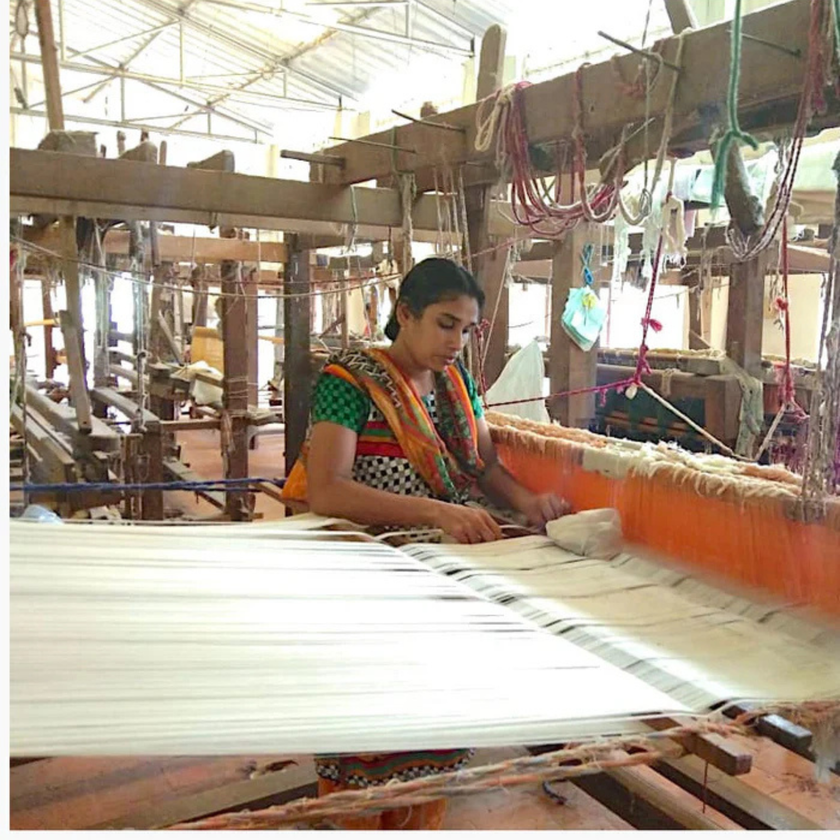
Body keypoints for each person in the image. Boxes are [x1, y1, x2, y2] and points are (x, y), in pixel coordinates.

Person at [282, 257, 568, 829]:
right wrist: (438, 511)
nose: (456, 342)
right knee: (370, 727)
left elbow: (484, 466)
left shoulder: (457, 386)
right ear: (405, 313)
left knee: (436, 721)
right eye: (445, 324)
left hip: (440, 579)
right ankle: (358, 819)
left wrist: (529, 502)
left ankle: (420, 817)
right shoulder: (349, 383)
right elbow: (328, 492)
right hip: (366, 578)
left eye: (467, 329)